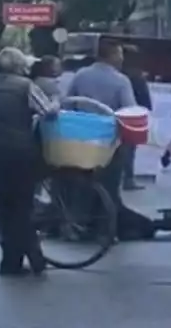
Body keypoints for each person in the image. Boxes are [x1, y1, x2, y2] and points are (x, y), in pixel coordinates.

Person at [0, 47, 56, 277]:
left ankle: (14, 261)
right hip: (18, 152)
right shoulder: (24, 86)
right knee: (21, 206)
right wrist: (56, 104)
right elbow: (47, 112)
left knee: (5, 206)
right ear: (20, 67)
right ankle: (28, 260)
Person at [66, 40, 137, 211]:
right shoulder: (121, 80)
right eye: (119, 54)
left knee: (79, 179)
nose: (122, 58)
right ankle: (106, 216)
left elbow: (68, 104)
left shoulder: (80, 75)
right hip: (108, 139)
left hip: (81, 137)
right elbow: (129, 110)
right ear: (111, 56)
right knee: (110, 181)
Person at [121, 46, 154, 191]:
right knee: (129, 149)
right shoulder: (136, 75)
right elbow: (145, 99)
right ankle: (128, 179)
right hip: (130, 117)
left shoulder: (116, 73)